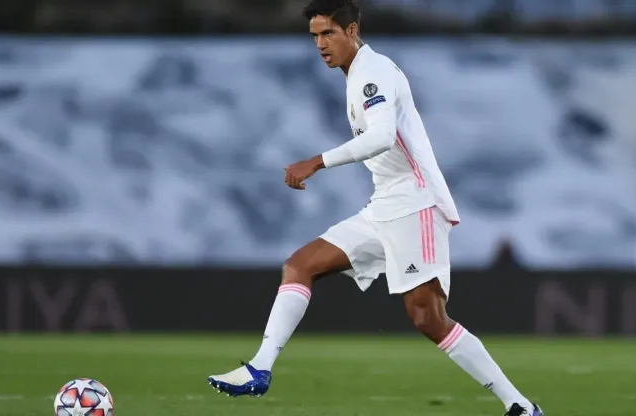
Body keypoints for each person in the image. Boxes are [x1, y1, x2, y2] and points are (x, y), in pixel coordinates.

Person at [208, 1, 544, 415]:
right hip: (384, 203)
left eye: (327, 33)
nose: (320, 44)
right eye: (314, 36)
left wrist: (316, 161)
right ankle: (260, 368)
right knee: (300, 265)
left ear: (351, 30)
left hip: (415, 203)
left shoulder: (373, 72)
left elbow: (383, 136)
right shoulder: (357, 75)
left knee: (428, 319)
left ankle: (520, 406)